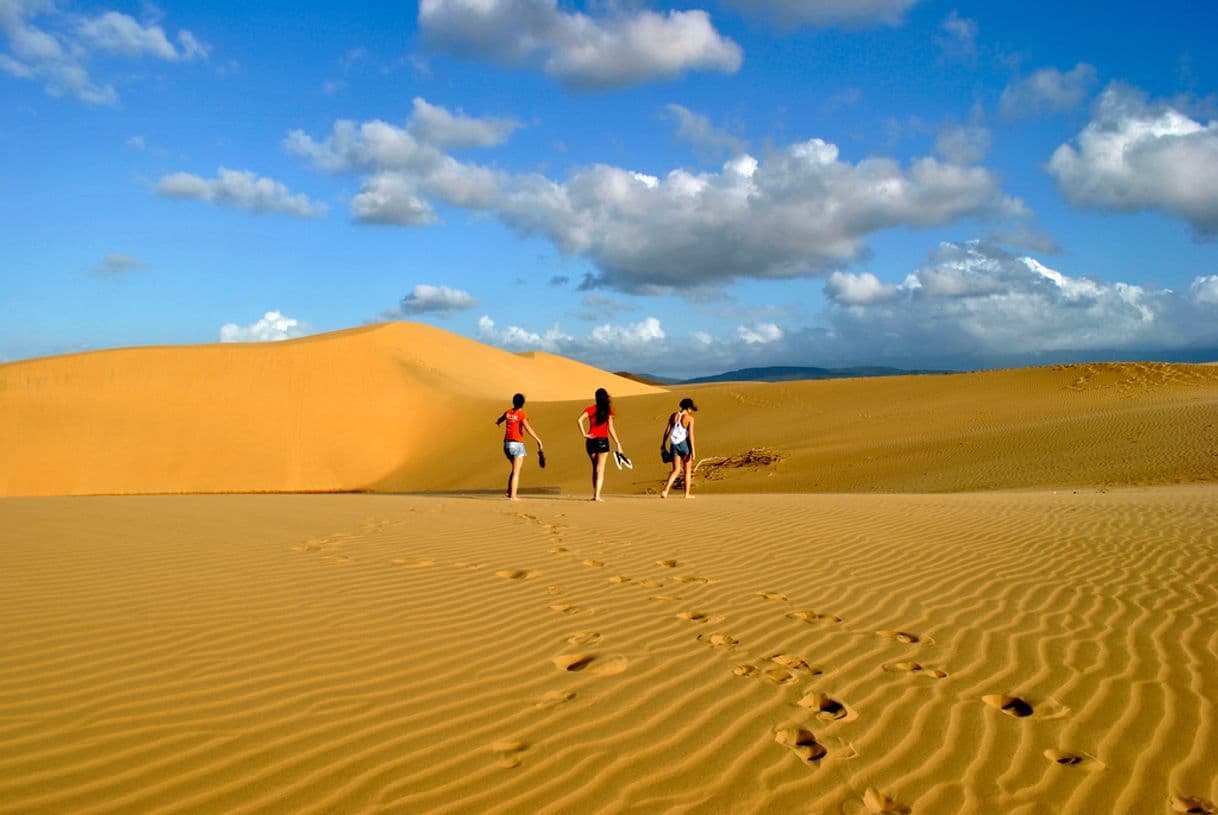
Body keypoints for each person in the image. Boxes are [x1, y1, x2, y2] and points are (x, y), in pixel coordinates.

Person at [577, 387, 625, 502]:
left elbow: (579, 420)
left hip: (591, 441)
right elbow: (611, 428)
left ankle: (595, 494)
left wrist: (584, 434)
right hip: (603, 441)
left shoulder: (590, 409)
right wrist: (618, 443)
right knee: (600, 469)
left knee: (595, 468)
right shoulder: (607, 410)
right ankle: (597, 495)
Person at [496, 393, 543, 501]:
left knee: (514, 469)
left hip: (507, 445)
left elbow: (500, 419)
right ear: (523, 403)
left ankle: (509, 492)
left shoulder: (508, 412)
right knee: (517, 471)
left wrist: (498, 422)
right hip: (517, 444)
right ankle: (513, 496)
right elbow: (528, 428)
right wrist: (538, 440)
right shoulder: (522, 415)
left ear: (513, 402)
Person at [660, 397, 698, 498]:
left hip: (674, 445)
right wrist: (693, 450)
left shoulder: (673, 416)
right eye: (691, 409)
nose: (691, 411)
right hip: (684, 445)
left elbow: (667, 431)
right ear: (688, 407)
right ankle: (686, 494)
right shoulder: (690, 418)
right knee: (687, 471)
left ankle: (665, 490)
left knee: (676, 470)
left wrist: (663, 444)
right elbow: (690, 435)